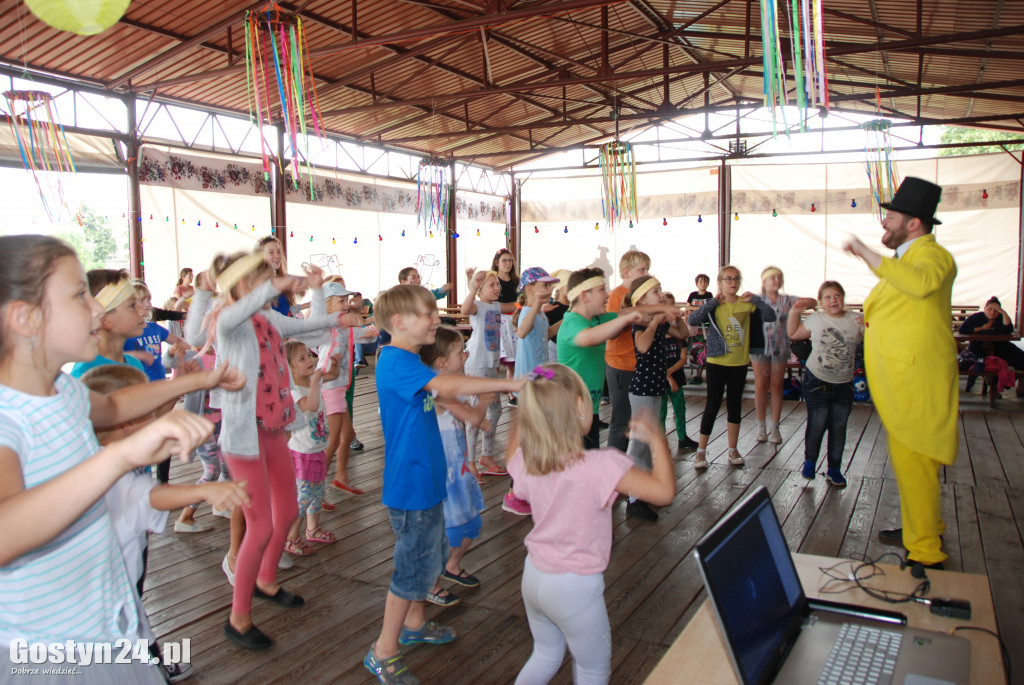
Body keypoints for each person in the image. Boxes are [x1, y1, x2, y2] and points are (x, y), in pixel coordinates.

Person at [0, 235, 235, 683]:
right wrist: (122, 455)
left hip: (105, 617)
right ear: (25, 318)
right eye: (78, 296)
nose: (95, 309)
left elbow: (114, 408)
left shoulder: (64, 390)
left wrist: (196, 381)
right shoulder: (7, 415)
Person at [364, 284, 523, 685]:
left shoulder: (408, 358)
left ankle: (414, 623)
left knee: (429, 556)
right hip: (411, 485)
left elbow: (446, 389)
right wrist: (508, 385)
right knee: (411, 569)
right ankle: (383, 650)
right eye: (428, 314)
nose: (437, 319)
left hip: (427, 479)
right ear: (399, 322)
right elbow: (447, 385)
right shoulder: (397, 361)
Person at [206, 250, 348, 650]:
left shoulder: (269, 319)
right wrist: (274, 285)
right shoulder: (228, 322)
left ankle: (266, 581)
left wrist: (329, 305)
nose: (271, 284)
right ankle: (238, 617)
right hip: (244, 439)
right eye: (261, 279)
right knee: (261, 525)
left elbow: (316, 332)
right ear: (239, 285)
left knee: (286, 512)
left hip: (274, 430)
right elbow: (239, 309)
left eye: (270, 278)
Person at [507, 363, 675, 685]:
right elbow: (664, 492)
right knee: (592, 670)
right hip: (575, 587)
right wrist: (656, 440)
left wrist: (521, 410)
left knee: (545, 655)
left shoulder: (530, 463)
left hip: (534, 576)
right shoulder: (601, 465)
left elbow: (510, 456)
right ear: (581, 408)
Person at [81, 364, 249, 683]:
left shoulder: (93, 462)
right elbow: (151, 496)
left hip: (118, 597)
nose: (157, 420)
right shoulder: (117, 478)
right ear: (127, 424)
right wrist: (203, 490)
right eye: (148, 412)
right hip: (109, 612)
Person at [844, 176, 958, 573]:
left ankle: (926, 551)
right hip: (903, 380)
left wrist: (862, 251)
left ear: (913, 223)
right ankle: (922, 527)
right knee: (910, 461)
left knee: (916, 460)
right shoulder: (907, 258)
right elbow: (899, 290)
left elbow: (921, 285)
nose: (884, 222)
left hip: (917, 381)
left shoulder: (932, 257)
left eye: (890, 215)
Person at [419, 327, 488, 607]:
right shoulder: (436, 389)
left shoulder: (453, 381)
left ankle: (452, 566)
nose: (466, 354)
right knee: (450, 530)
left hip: (457, 465)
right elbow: (472, 418)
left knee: (471, 523)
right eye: (461, 352)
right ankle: (431, 583)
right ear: (441, 362)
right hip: (444, 471)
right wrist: (485, 400)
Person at [687, 266, 776, 469]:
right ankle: (701, 451)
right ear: (720, 282)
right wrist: (711, 304)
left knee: (735, 405)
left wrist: (757, 300)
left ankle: (732, 449)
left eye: (736, 278)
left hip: (739, 362)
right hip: (717, 362)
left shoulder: (746, 304)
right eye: (728, 279)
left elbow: (770, 316)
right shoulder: (715, 303)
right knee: (712, 405)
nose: (733, 282)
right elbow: (693, 319)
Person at [556, 267, 646, 450]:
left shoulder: (596, 319)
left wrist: (666, 308)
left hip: (589, 411)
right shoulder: (574, 322)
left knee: (587, 468)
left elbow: (626, 312)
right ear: (585, 296)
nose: (607, 296)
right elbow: (588, 337)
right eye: (602, 290)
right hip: (569, 414)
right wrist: (626, 320)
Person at [787, 282, 863, 487]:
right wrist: (796, 310)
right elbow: (793, 334)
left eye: (837, 296)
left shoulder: (856, 320)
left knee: (839, 426)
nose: (833, 301)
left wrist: (870, 323)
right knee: (817, 424)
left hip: (844, 383)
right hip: (817, 381)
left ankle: (834, 469)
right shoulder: (816, 319)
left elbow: (874, 337)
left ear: (844, 298)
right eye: (828, 297)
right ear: (821, 302)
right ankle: (810, 461)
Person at [624, 276, 688, 522]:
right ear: (642, 299)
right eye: (656, 291)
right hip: (641, 390)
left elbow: (682, 334)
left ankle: (642, 492)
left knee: (648, 443)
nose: (660, 294)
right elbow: (641, 346)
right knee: (638, 446)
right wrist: (656, 321)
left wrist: (676, 319)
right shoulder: (640, 322)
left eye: (660, 290)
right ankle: (631, 498)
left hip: (654, 389)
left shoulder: (659, 323)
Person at [461, 267, 517, 475]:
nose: (497, 288)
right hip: (477, 364)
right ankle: (470, 461)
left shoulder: (495, 306)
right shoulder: (478, 305)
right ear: (480, 290)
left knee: (495, 409)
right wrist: (473, 287)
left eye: (498, 285)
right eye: (492, 285)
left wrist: (531, 301)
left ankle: (486, 455)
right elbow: (465, 309)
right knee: (477, 414)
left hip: (490, 364)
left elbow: (514, 305)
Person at [283, 342, 336, 556]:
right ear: (290, 369)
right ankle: (290, 537)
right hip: (303, 451)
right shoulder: (295, 391)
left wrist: (336, 364)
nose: (310, 360)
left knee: (317, 492)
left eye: (309, 356)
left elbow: (331, 375)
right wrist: (315, 381)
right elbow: (310, 406)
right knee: (303, 495)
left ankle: (312, 528)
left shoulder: (309, 382)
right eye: (302, 358)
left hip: (316, 449)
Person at [605, 250, 652, 451]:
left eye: (647, 269)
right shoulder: (617, 295)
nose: (646, 273)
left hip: (638, 363)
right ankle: (613, 469)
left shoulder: (640, 296)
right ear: (626, 272)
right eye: (642, 270)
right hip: (621, 363)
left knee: (640, 419)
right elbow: (610, 331)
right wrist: (631, 318)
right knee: (621, 420)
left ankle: (632, 465)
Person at [751, 267, 801, 444]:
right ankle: (761, 426)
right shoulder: (755, 300)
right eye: (772, 278)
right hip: (759, 348)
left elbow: (810, 301)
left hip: (780, 348)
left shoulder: (788, 300)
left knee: (777, 386)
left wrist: (801, 307)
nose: (776, 280)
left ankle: (775, 427)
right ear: (764, 282)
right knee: (760, 386)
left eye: (779, 277)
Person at [124, 279, 188, 383]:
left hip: (159, 382)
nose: (148, 305)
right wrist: (137, 355)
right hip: (138, 386)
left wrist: (200, 348)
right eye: (141, 300)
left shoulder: (154, 328)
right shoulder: (125, 332)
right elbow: (114, 357)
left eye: (148, 300)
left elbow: (179, 342)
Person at [660, 293, 699, 454]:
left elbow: (683, 358)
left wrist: (671, 374)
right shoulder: (658, 334)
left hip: (675, 375)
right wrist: (668, 377)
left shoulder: (678, 336)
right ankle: (660, 440)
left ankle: (682, 437)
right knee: (661, 411)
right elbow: (657, 360)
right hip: (662, 378)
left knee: (680, 409)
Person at [959, 297, 1024, 391]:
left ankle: (1017, 387)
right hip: (979, 349)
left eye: (996, 310)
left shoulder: (1001, 318)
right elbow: (962, 329)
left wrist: (1003, 313)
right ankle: (993, 386)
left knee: (1021, 359)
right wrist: (981, 328)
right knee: (992, 364)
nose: (992, 312)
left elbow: (1008, 330)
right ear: (985, 309)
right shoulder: (977, 317)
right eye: (989, 309)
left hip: (1001, 348)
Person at [686, 274, 713, 384]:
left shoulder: (709, 295)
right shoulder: (692, 295)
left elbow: (710, 309)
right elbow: (687, 308)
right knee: (693, 349)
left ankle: (699, 375)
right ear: (697, 284)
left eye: (705, 281)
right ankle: (695, 371)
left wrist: (695, 309)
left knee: (703, 351)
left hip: (705, 328)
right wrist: (701, 309)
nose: (703, 284)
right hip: (693, 327)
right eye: (700, 281)